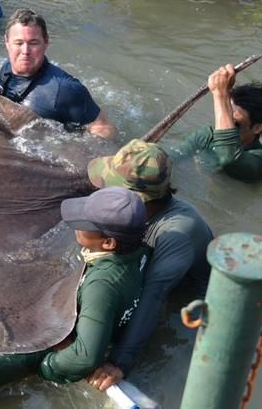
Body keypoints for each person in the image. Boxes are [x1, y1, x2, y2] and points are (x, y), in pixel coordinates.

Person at [84, 139, 213, 391]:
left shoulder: (177, 234)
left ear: (138, 198)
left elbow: (154, 297)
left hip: (188, 305)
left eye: (111, 188)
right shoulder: (140, 213)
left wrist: (120, 362)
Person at [0, 9, 115, 139]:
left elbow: (104, 128)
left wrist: (73, 151)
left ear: (46, 42)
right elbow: (7, 84)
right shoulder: (8, 67)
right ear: (7, 42)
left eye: (33, 43)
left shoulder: (64, 89)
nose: (25, 51)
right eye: (18, 43)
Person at [39, 186, 148, 384]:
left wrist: (48, 365)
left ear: (108, 243)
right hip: (110, 317)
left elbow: (85, 357)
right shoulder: (142, 249)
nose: (77, 226)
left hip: (79, 342)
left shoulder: (101, 284)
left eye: (84, 224)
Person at [175, 64, 262, 182]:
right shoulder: (207, 136)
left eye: (234, 123)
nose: (224, 125)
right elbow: (173, 159)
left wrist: (221, 95)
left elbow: (230, 159)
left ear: (258, 127)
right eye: (224, 116)